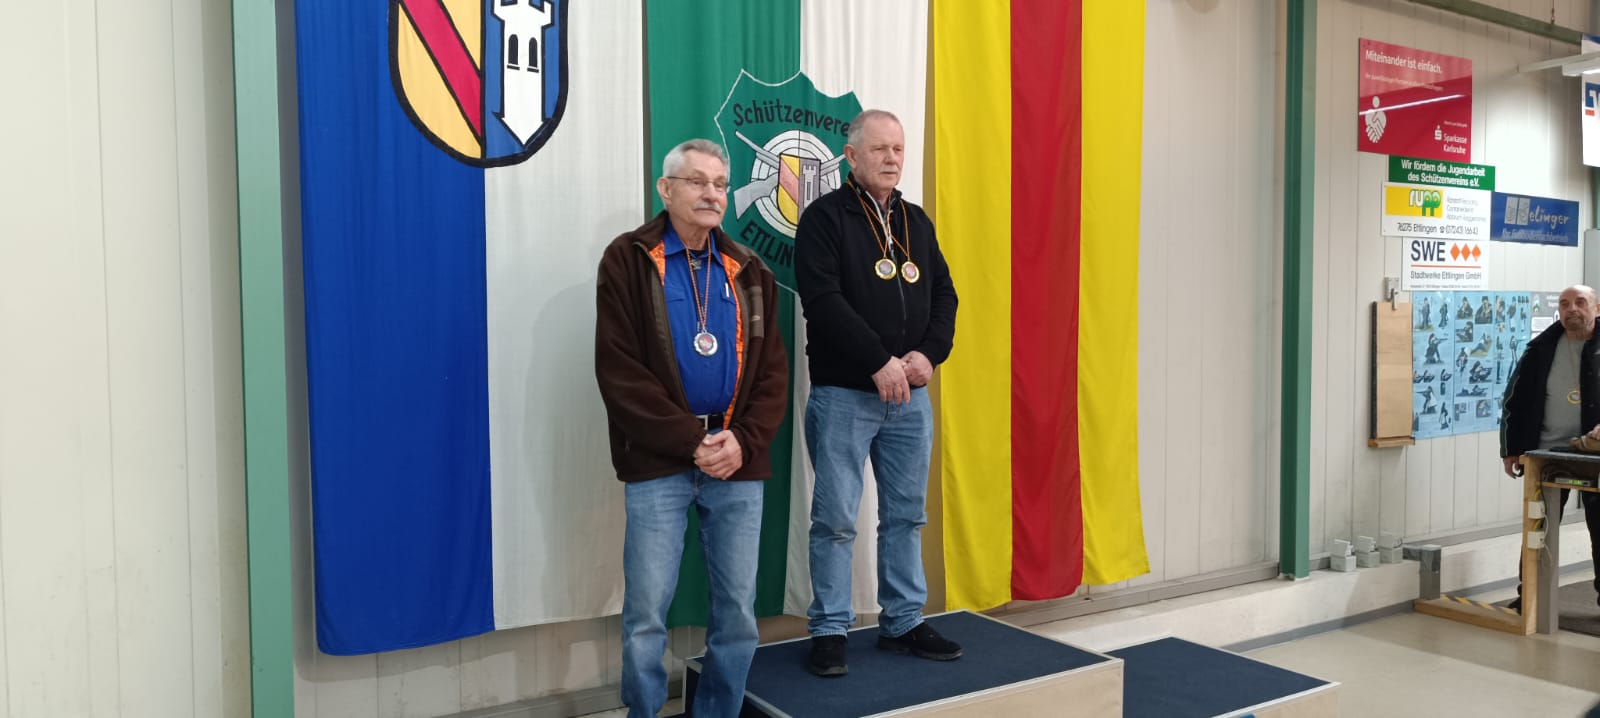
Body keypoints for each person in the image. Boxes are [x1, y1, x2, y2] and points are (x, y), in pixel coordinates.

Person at [594, 139, 789, 717]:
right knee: (646, 614)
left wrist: (742, 442)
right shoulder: (628, 259)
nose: (712, 194)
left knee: (737, 613)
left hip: (736, 459)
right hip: (660, 461)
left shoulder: (750, 269)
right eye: (697, 181)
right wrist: (690, 441)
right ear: (666, 189)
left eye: (720, 184)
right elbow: (619, 370)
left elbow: (773, 374)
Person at [793, 109, 960, 677]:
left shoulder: (916, 221)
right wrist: (878, 362)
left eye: (898, 149)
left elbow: (945, 295)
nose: (891, 159)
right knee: (836, 520)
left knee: (907, 516)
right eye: (880, 149)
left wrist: (928, 355)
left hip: (910, 399)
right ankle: (830, 629)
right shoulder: (823, 219)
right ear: (851, 155)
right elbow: (823, 301)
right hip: (845, 395)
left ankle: (903, 621)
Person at [1500, 285, 1600, 612]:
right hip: (1547, 455)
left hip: (1595, 456)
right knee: (1538, 528)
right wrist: (1511, 449)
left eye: (1581, 302)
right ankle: (1530, 597)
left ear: (1596, 309)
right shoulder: (1540, 349)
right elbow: (1514, 402)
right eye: (1565, 303)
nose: (1572, 309)